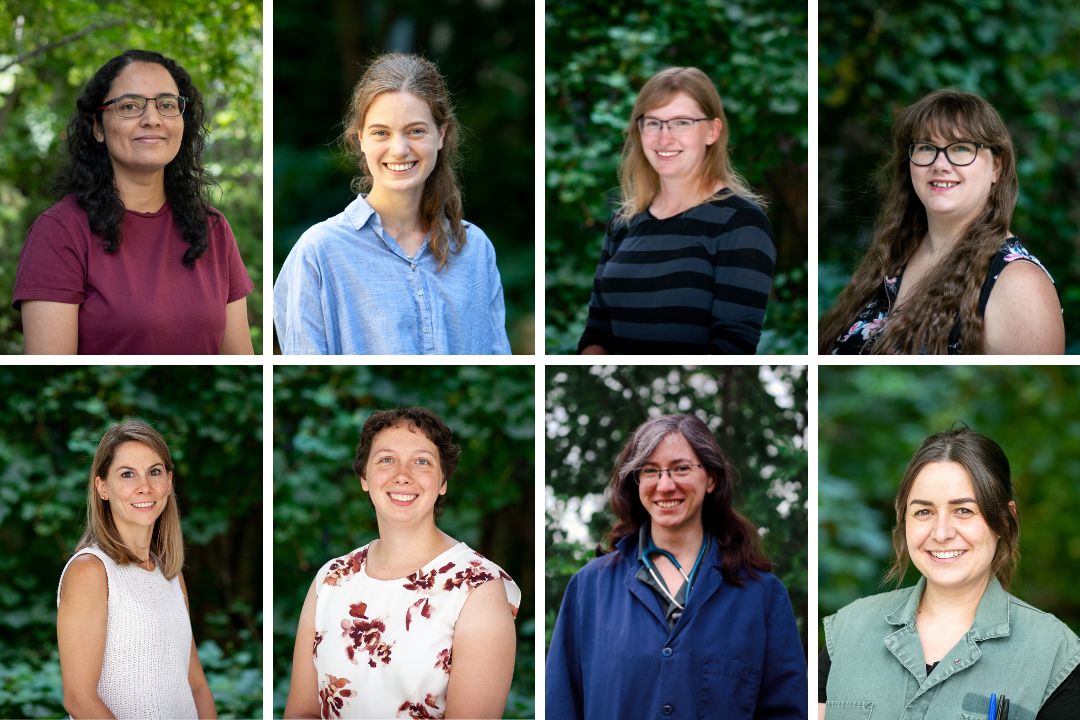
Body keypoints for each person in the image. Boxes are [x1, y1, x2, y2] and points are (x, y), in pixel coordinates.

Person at [546, 414, 806, 719]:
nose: (665, 485)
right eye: (651, 471)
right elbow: (559, 707)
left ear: (711, 478)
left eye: (681, 468)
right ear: (637, 482)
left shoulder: (762, 595)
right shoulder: (589, 588)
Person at [820, 427, 1080, 719]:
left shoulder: (1055, 653)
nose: (941, 533)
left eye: (964, 511)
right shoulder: (847, 631)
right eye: (924, 512)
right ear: (903, 519)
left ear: (1005, 521)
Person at [12, 50, 254, 355]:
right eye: (129, 106)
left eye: (166, 105)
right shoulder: (60, 231)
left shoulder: (213, 228)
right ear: (98, 128)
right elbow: (52, 376)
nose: (152, 119)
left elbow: (242, 362)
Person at [284, 407, 520, 719]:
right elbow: (301, 713)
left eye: (422, 461)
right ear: (364, 478)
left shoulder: (478, 588)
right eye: (386, 459)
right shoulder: (331, 579)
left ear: (443, 481)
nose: (403, 475)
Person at [274, 53, 511, 355]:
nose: (399, 149)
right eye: (381, 133)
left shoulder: (475, 249)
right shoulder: (319, 253)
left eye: (415, 131)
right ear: (360, 139)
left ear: (441, 134)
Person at [819, 89, 1064, 354]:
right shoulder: (893, 256)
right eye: (926, 148)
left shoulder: (1018, 284)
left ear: (997, 167)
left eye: (960, 148)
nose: (940, 163)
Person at [577, 67, 776, 355]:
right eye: (653, 123)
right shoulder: (624, 222)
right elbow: (597, 331)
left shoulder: (740, 223)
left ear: (712, 131)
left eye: (681, 122)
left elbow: (732, 347)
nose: (664, 137)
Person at [56, 421, 216, 718]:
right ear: (102, 487)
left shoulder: (170, 575)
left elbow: (196, 686)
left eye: (154, 472)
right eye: (127, 474)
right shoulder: (90, 571)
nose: (145, 486)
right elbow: (79, 699)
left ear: (169, 482)